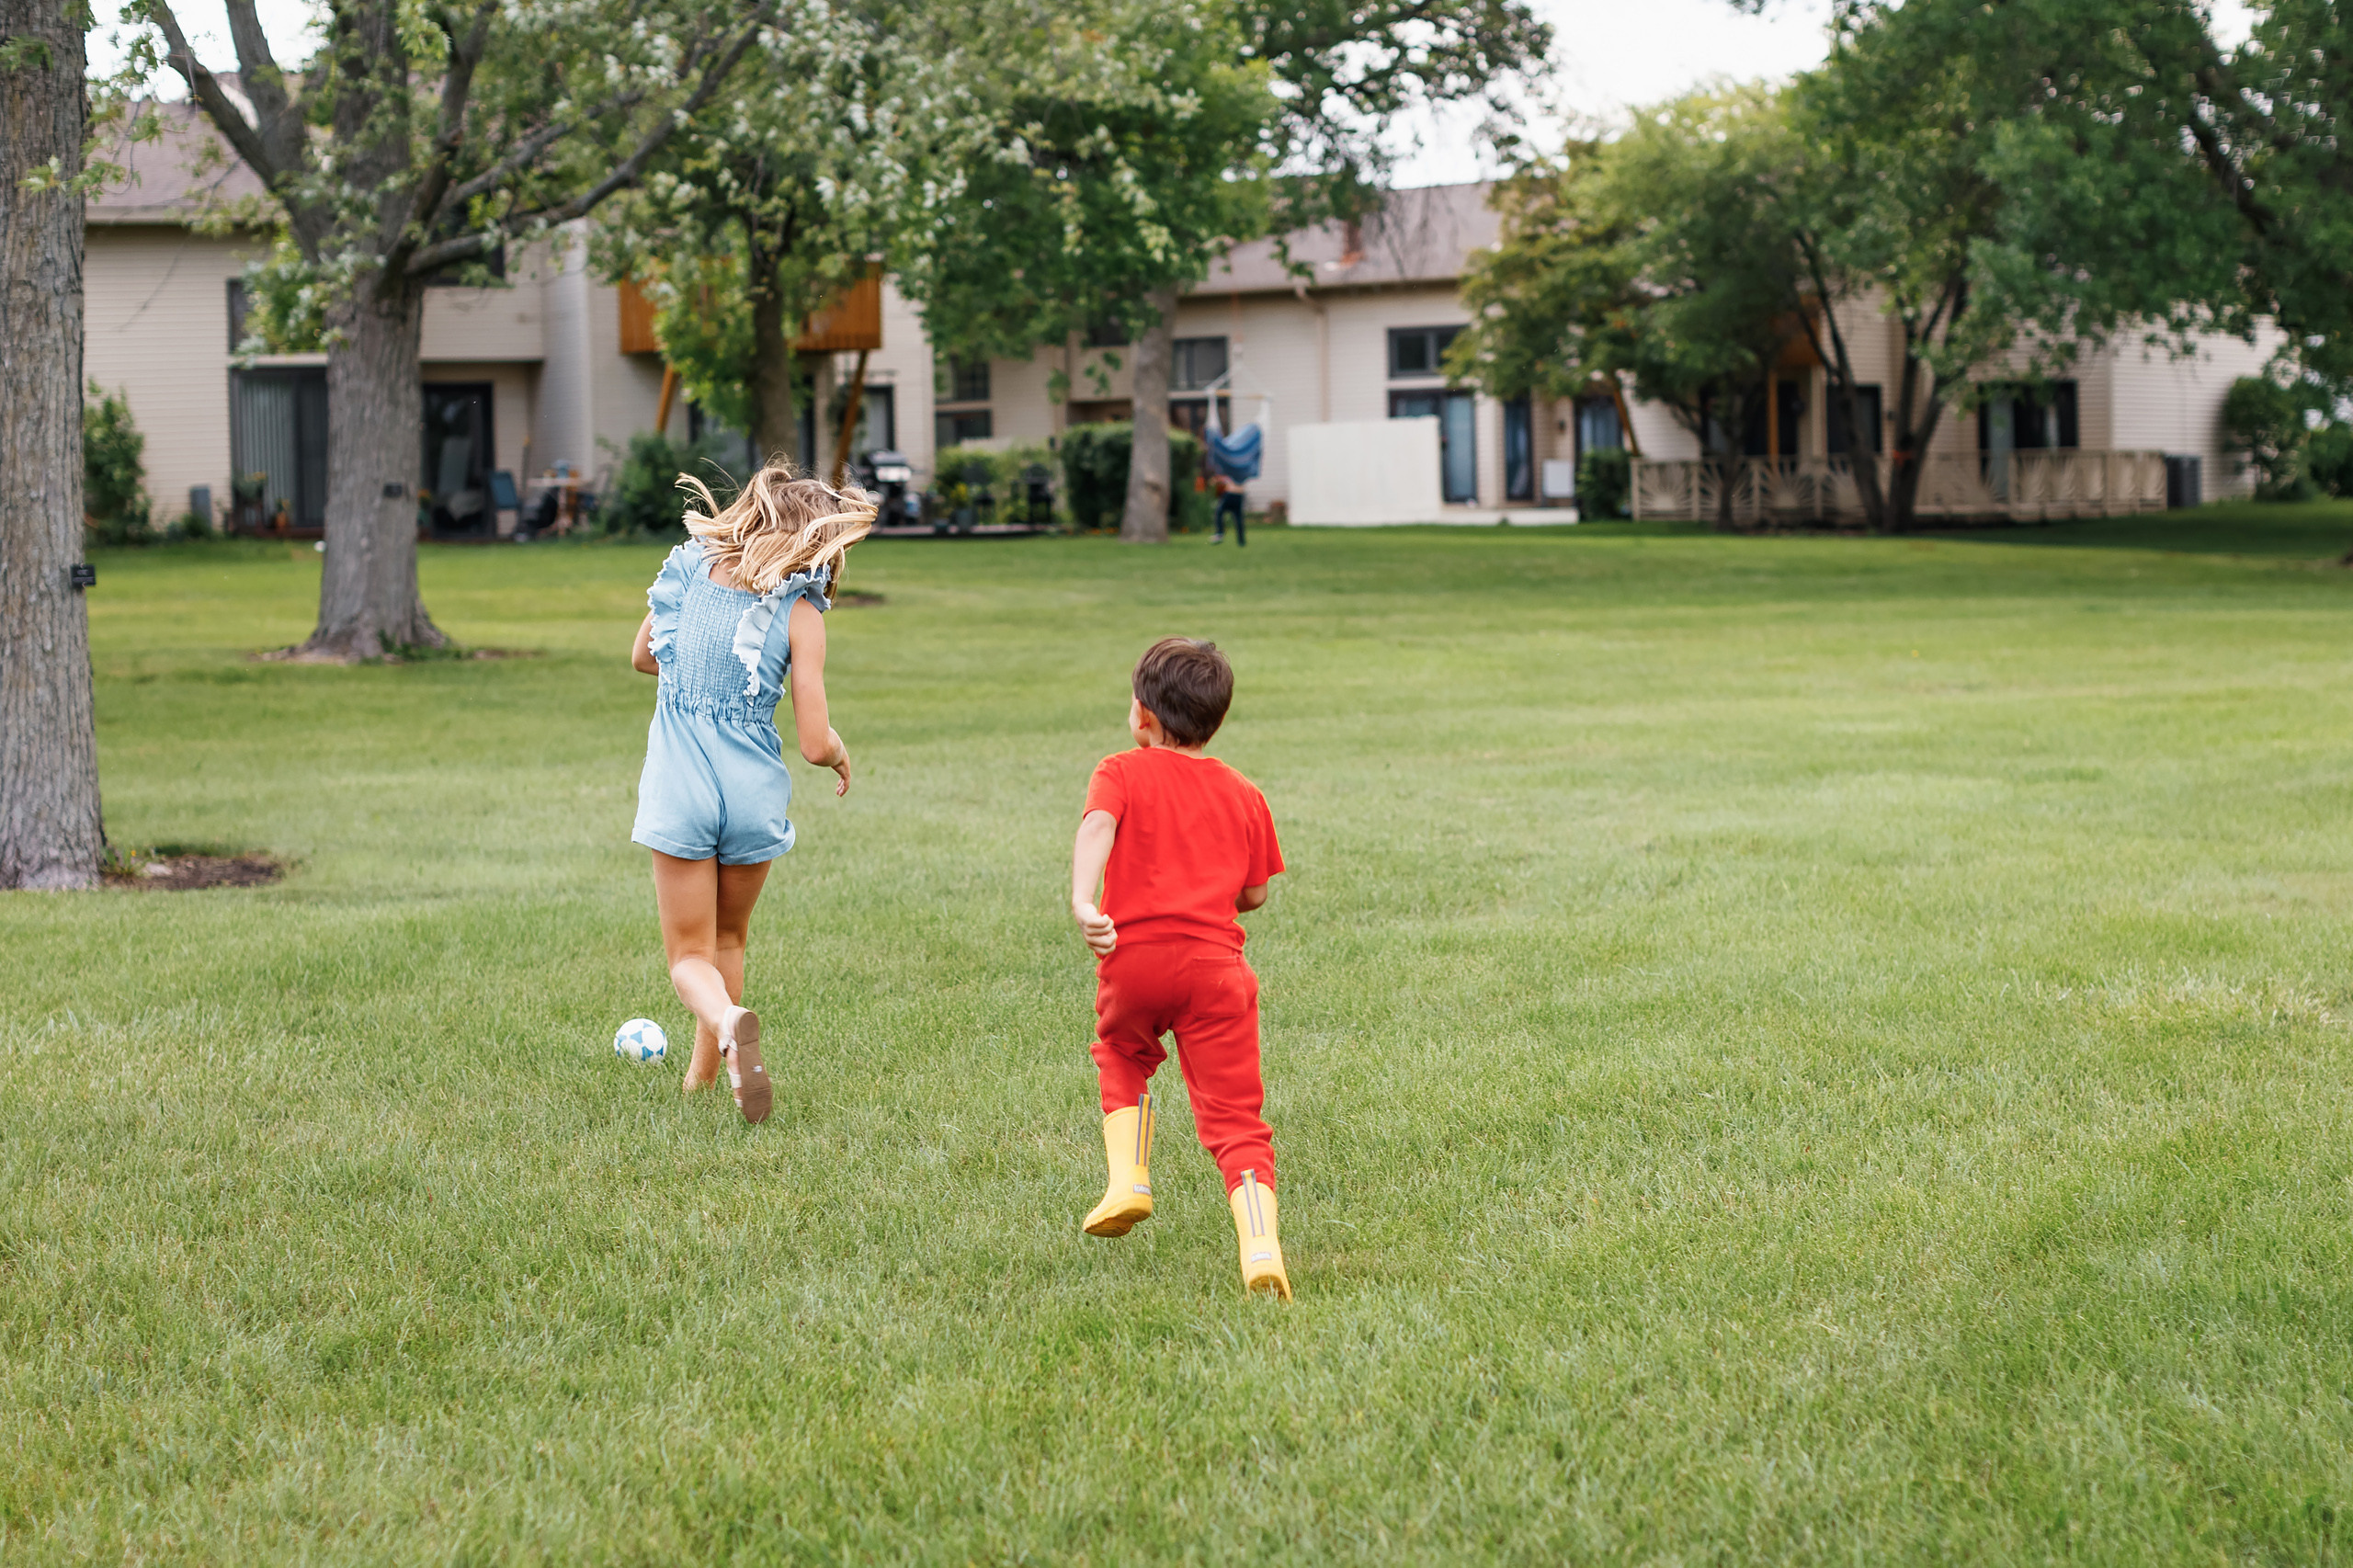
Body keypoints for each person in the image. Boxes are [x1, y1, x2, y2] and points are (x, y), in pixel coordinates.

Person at [629, 463, 871, 1123]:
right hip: (752, 790)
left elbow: (643, 657)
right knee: (729, 939)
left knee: (688, 958)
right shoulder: (802, 616)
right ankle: (703, 1082)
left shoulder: (689, 571)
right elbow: (816, 743)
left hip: (682, 786)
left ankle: (728, 1024)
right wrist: (842, 753)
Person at [1070, 637, 1290, 1297]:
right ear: (1216, 720)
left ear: (1142, 715)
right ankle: (1260, 1249)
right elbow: (1255, 894)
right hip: (1218, 972)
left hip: (1133, 959)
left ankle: (1130, 1181)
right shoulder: (1244, 793)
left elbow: (1097, 828)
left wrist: (1085, 900)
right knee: (1236, 1121)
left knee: (1122, 1052)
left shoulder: (1120, 771)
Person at [1211, 472, 1246, 546]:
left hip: (1230, 493)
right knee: (1238, 517)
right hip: (1240, 494)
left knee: (1219, 512)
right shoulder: (1243, 469)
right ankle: (1241, 540)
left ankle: (1220, 534)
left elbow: (1223, 478)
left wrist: (1216, 480)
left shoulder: (1231, 467)